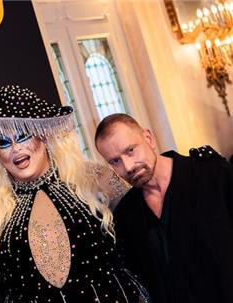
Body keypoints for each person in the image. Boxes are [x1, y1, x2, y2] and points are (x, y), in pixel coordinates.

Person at [0, 80, 149, 302]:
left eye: (23, 135)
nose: (16, 148)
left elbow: (148, 222)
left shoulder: (93, 179)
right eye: (3, 142)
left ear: (43, 135)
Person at [94, 113, 233, 303]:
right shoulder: (126, 216)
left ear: (149, 138)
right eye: (115, 161)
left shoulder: (209, 173)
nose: (127, 167)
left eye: (130, 150)